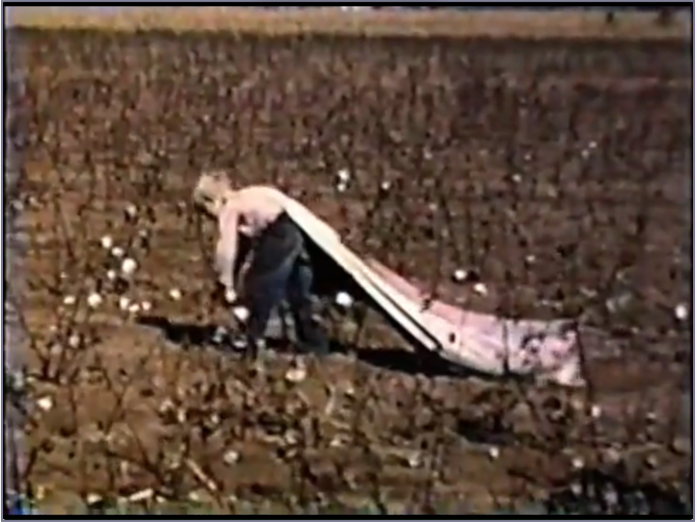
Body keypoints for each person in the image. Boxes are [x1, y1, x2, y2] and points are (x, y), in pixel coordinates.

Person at [192, 171, 329, 358]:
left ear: (212, 202)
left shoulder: (230, 207)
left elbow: (227, 249)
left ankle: (252, 339)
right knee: (297, 290)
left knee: (261, 283)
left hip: (281, 233)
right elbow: (243, 248)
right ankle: (314, 342)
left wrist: (226, 284)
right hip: (299, 231)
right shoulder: (252, 195)